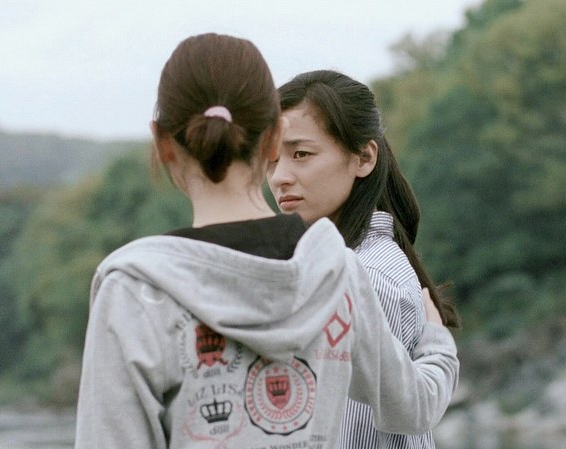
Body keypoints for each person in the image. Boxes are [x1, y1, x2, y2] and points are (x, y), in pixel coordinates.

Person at [74, 33, 458, 449]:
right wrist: (436, 344)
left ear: (163, 143)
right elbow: (411, 409)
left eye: (302, 155)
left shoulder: (136, 291)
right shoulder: (336, 271)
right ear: (274, 136)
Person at [266, 69, 461, 449]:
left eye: (301, 154)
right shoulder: (336, 268)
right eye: (271, 160)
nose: (279, 178)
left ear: (364, 157)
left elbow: (354, 434)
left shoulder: (368, 278)